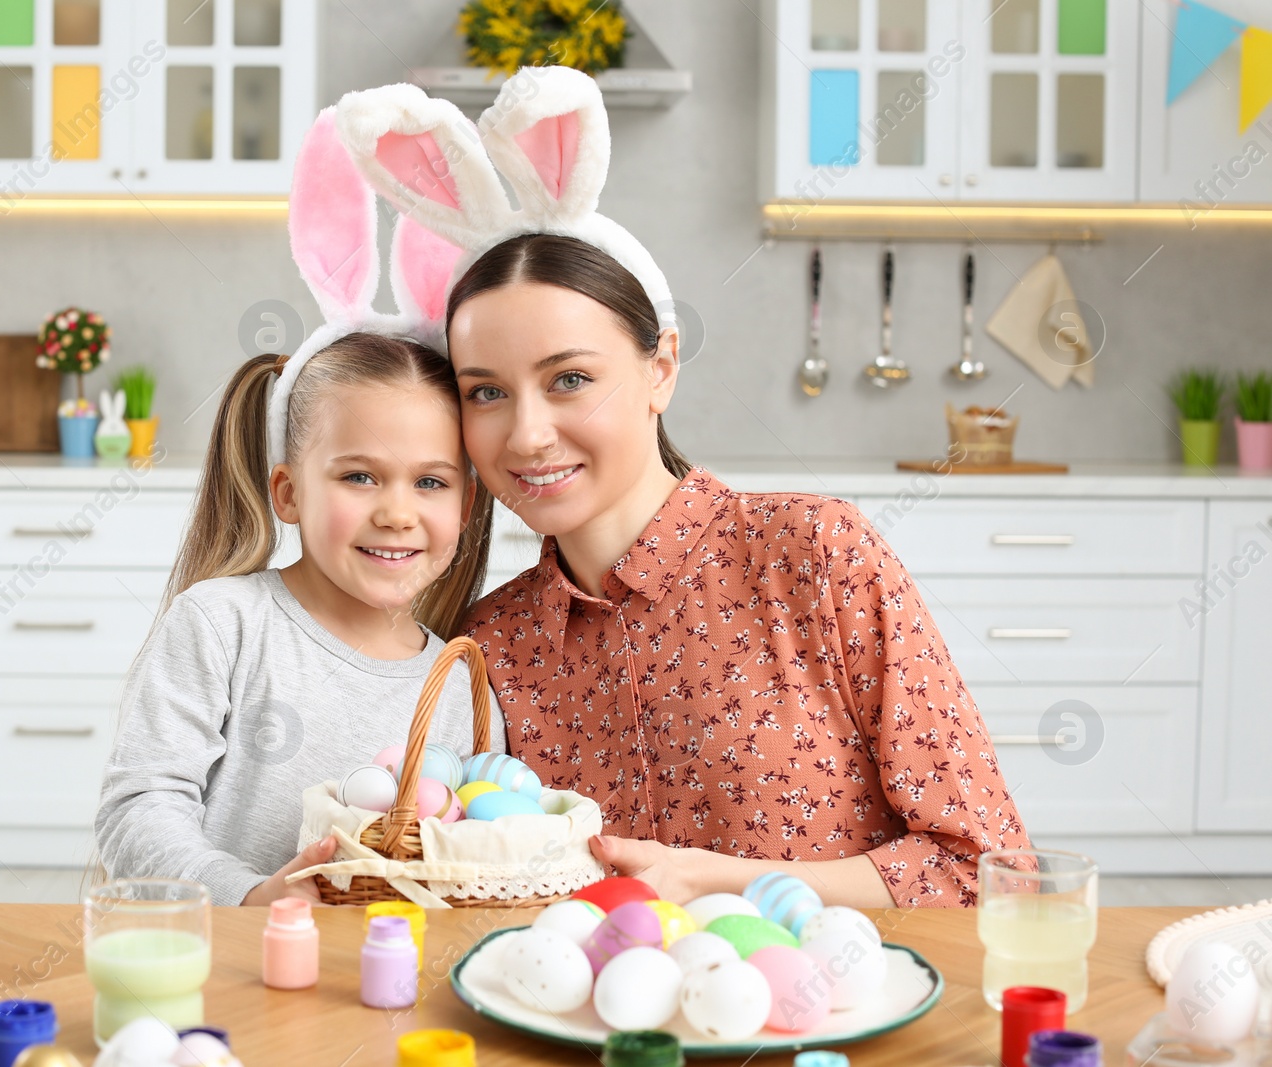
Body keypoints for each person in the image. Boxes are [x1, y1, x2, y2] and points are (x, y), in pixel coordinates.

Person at [337, 68, 1030, 908]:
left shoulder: (814, 555)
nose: (525, 434)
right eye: (487, 391)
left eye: (569, 380)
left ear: (660, 367)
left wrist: (725, 884)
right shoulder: (496, 644)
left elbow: (990, 873)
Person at [95, 110, 503, 907]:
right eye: (359, 477)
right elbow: (138, 808)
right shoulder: (222, 624)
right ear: (289, 490)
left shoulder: (460, 684)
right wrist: (248, 895)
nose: (397, 512)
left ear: (469, 497)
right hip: (235, 975)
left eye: (431, 481)